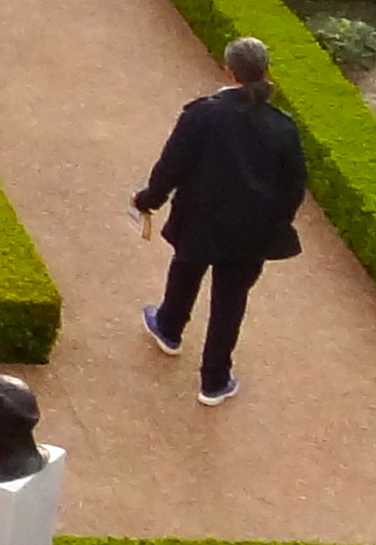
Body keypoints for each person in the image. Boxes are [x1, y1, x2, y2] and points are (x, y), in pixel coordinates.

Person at [130, 36, 307, 406]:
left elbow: (171, 167)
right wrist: (275, 222)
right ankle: (214, 380)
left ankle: (169, 327)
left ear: (228, 69)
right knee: (230, 301)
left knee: (185, 270)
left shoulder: (202, 114)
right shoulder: (283, 127)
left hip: (200, 218)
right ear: (265, 70)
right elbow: (293, 186)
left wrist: (149, 200)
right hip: (251, 231)